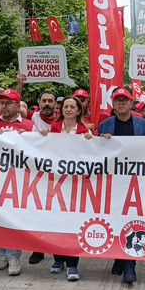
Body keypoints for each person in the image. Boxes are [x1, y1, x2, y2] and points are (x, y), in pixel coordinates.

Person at [98, 87, 145, 284]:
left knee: (133, 221)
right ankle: (119, 258)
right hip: (113, 182)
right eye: (117, 100)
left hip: (135, 181)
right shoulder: (104, 125)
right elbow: (98, 153)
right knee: (114, 219)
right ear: (112, 103)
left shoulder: (143, 125)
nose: (121, 103)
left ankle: (130, 265)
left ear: (131, 103)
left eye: (125, 100)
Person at [43, 96, 93, 280]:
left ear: (79, 110)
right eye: (66, 106)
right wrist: (42, 138)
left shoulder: (85, 131)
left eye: (73, 107)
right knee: (56, 221)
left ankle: (72, 264)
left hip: (77, 185)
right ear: (61, 109)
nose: (69, 109)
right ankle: (58, 259)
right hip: (57, 183)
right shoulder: (53, 129)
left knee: (74, 223)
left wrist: (93, 140)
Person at [0, 88, 34, 275]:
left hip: (19, 181)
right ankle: (2, 253)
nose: (4, 106)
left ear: (17, 105)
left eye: (8, 103)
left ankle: (14, 257)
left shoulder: (29, 126)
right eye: (2, 103)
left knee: (14, 219)